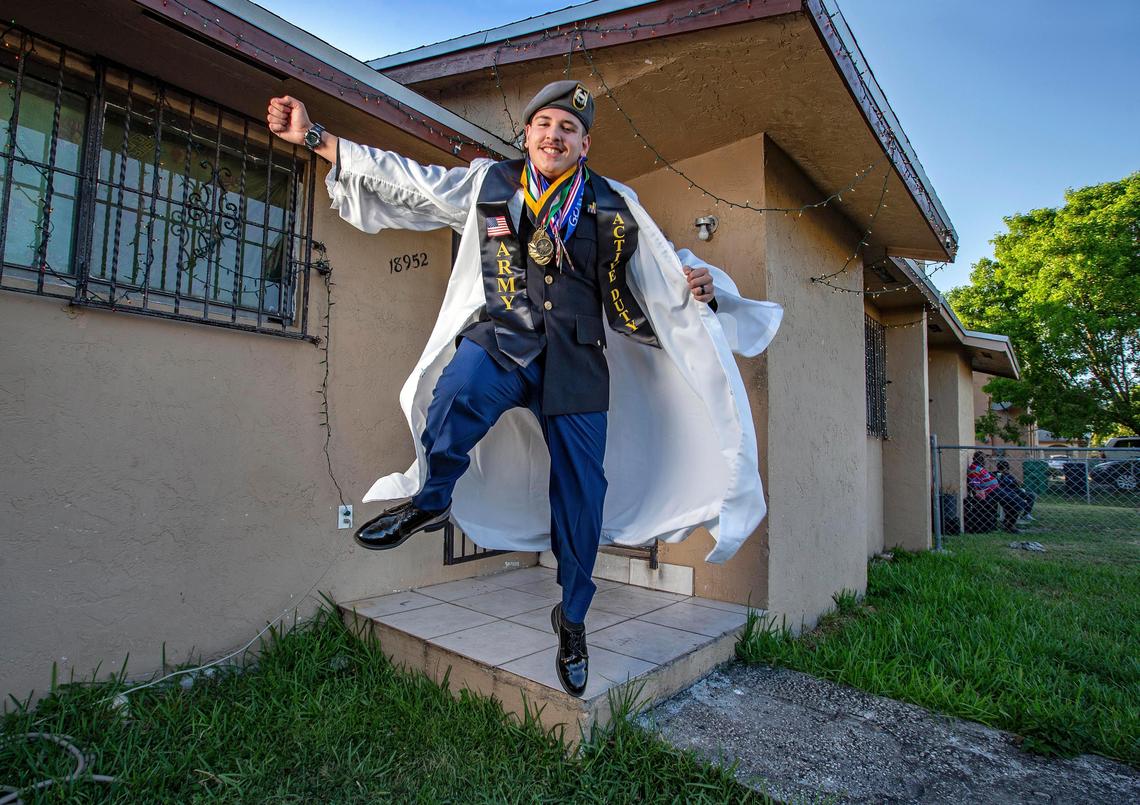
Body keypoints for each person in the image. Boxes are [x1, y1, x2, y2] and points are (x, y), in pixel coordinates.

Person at [267, 81, 782, 697]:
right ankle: (431, 500)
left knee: (582, 500)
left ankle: (572, 620)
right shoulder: (490, 184)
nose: (552, 135)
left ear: (584, 143)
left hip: (579, 364)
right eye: (543, 124)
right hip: (505, 340)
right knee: (454, 391)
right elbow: (411, 180)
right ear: (528, 134)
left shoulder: (614, 204)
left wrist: (703, 283)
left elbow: (665, 264)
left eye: (567, 128)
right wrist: (317, 139)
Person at [966, 451, 1024, 533]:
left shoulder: (979, 468)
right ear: (976, 459)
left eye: (983, 458)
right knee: (1018, 502)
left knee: (1013, 502)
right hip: (991, 492)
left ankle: (1008, 524)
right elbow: (974, 483)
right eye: (982, 458)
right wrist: (980, 493)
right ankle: (1010, 526)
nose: (984, 460)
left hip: (996, 489)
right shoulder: (974, 469)